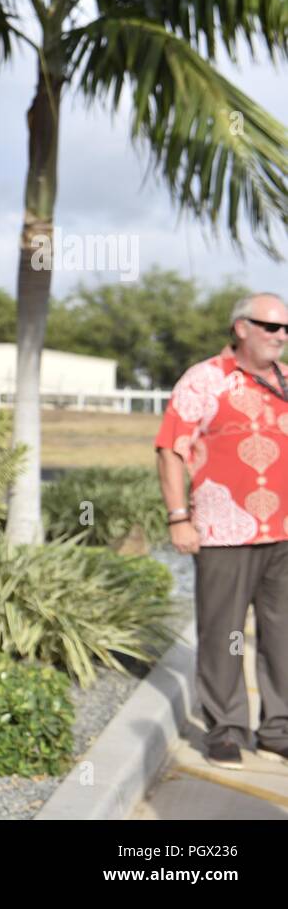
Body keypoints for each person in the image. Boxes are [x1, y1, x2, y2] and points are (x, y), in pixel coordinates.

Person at [154, 292, 288, 771]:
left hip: (283, 532)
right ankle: (226, 729)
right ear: (241, 328)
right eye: (269, 326)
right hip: (223, 529)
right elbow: (171, 448)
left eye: (285, 328)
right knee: (223, 633)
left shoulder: (286, 380)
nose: (280, 335)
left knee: (282, 635)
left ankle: (278, 729)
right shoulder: (204, 379)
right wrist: (177, 517)